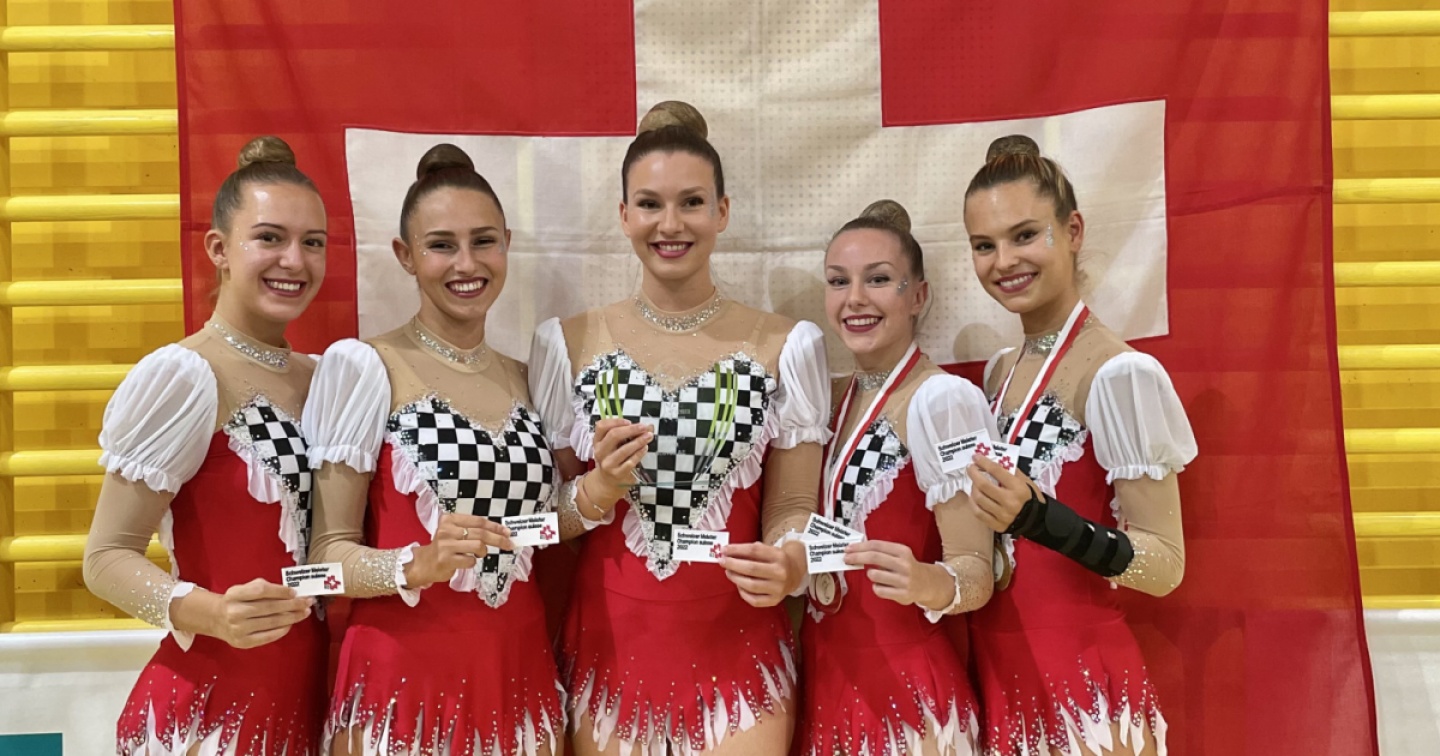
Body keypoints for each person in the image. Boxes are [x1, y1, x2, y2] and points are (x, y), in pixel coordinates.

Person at [528, 101, 830, 756]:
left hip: (739, 650)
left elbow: (792, 503)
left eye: (691, 202)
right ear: (624, 214)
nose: (670, 224)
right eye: (650, 204)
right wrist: (598, 490)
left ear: (722, 211)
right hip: (610, 648)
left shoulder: (786, 345)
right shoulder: (565, 344)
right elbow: (549, 521)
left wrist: (789, 561)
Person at [304, 144, 563, 756]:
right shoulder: (365, 367)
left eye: (483, 242)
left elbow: (542, 531)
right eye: (442, 245)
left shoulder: (530, 377)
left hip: (518, 672)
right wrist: (416, 564)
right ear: (406, 255)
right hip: (402, 683)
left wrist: (602, 490)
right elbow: (324, 560)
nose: (466, 264)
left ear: (507, 244)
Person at [84, 135, 329, 756]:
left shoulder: (328, 377)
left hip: (313, 703)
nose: (294, 261)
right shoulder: (185, 376)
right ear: (219, 248)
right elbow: (106, 559)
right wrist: (212, 613)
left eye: (313, 242)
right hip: (212, 714)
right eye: (269, 238)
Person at [961, 135, 1198, 756]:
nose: (1004, 261)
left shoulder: (1120, 374)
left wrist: (1043, 519)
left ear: (1072, 231)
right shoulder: (1000, 370)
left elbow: (1164, 567)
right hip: (1001, 679)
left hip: (1084, 690)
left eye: (1024, 235)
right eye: (984, 245)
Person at [795, 200, 996, 756]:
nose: (855, 298)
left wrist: (924, 582)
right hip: (826, 678)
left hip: (910, 697)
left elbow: (977, 573)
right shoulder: (827, 400)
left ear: (918, 296)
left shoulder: (943, 401)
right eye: (839, 281)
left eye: (878, 280)